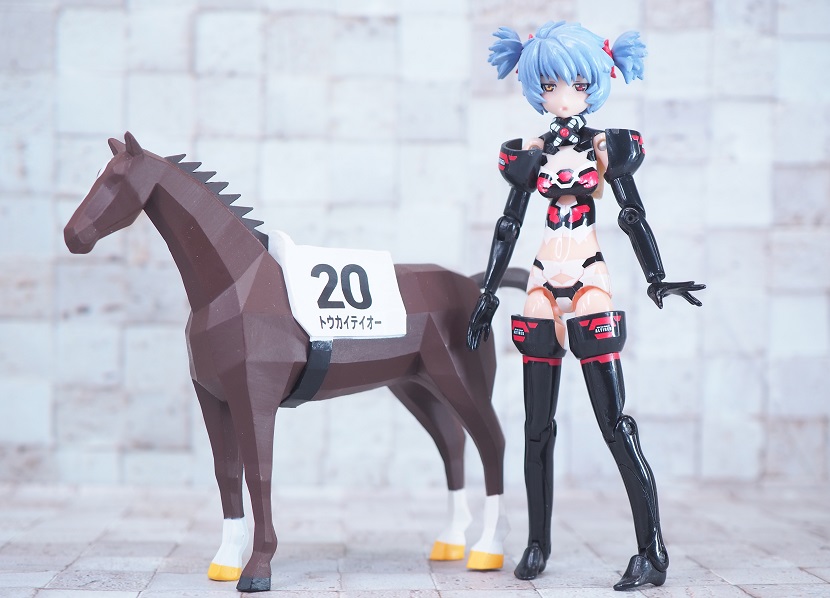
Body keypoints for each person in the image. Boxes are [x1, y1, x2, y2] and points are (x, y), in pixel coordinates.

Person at [466, 21, 704, 591]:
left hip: (590, 279)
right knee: (535, 427)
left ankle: (652, 553)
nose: (563, 95)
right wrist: (487, 294)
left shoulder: (606, 146)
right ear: (536, 87)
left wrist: (656, 276)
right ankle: (537, 542)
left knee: (615, 423)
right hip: (541, 283)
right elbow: (508, 224)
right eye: (550, 85)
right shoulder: (531, 152)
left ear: (595, 82)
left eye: (574, 83)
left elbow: (632, 213)